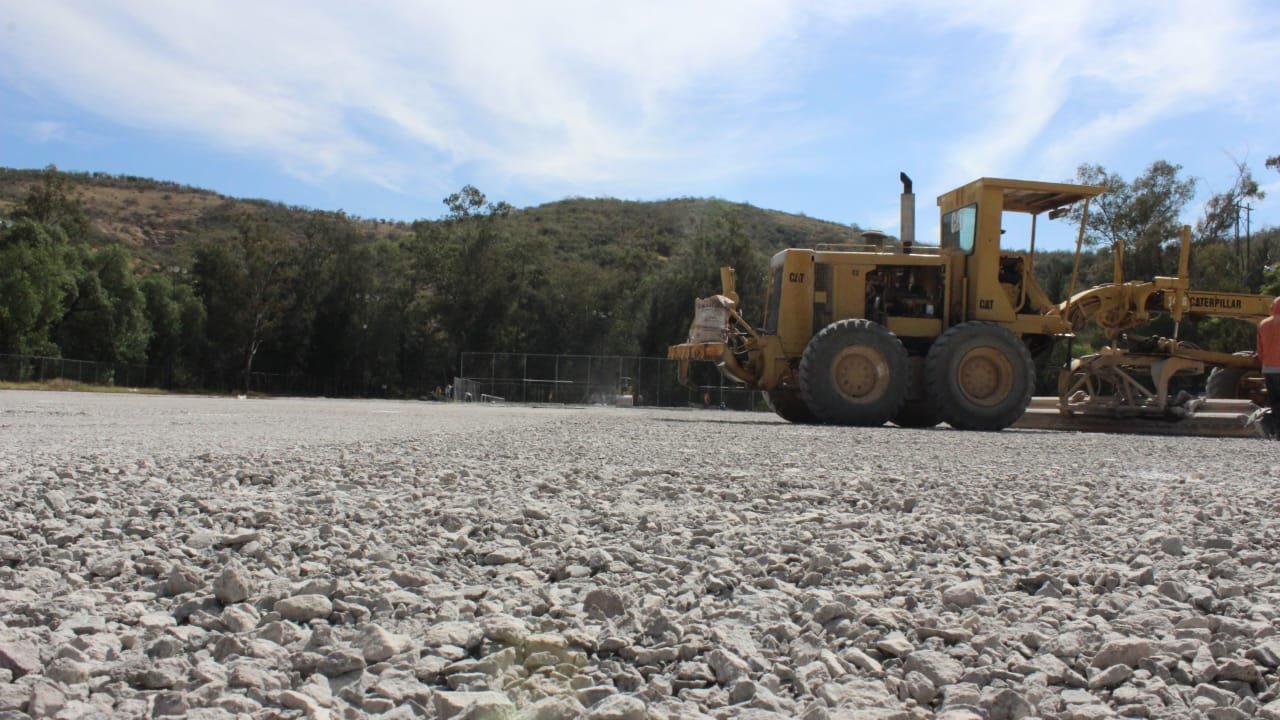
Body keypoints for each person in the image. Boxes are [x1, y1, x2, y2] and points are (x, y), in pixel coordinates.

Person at [1257, 296, 1280, 436]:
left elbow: (1259, 350)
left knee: (1275, 400)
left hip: (1268, 369)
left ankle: (1277, 431)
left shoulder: (1263, 324)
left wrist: (1264, 363)